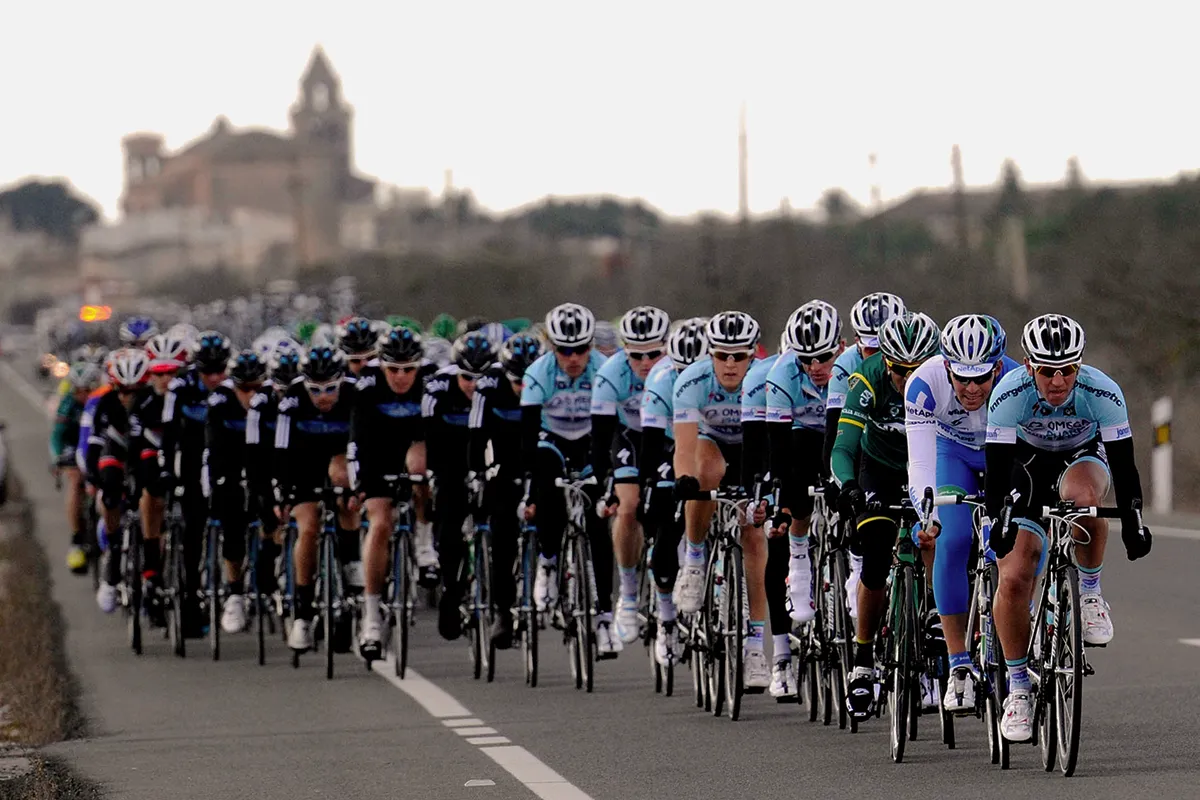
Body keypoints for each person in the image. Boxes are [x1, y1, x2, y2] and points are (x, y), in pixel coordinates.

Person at [984, 314, 1151, 742]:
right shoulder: (1009, 394)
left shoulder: (1102, 391)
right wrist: (998, 520)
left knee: (1086, 500)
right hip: (1026, 464)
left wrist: (1133, 517)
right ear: (1028, 366)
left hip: (1081, 456)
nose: (1058, 381)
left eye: (1068, 370)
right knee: (1017, 575)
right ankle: (1019, 688)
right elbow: (998, 472)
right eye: (1047, 371)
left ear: (1080, 366)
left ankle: (1090, 593)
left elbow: (1124, 466)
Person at [904, 314, 1019, 715]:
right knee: (952, 540)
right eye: (962, 378)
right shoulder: (924, 384)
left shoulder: (1017, 383)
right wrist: (927, 514)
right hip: (950, 455)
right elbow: (918, 464)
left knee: (1007, 548)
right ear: (946, 367)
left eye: (981, 378)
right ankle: (959, 666)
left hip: (1001, 455)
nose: (972, 389)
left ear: (999, 367)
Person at [831, 311, 941, 720]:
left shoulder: (944, 379)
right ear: (885, 362)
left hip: (928, 464)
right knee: (875, 557)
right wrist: (848, 487)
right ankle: (862, 661)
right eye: (898, 370)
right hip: (878, 467)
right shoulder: (867, 378)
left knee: (941, 538)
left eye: (916, 370)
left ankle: (934, 617)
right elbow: (843, 447)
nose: (907, 379)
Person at [672, 311, 771, 690]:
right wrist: (685, 480)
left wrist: (761, 492)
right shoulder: (691, 380)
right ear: (709, 354)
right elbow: (683, 447)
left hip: (750, 446)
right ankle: (695, 561)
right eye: (722, 355)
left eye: (740, 355)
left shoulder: (764, 380)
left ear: (752, 355)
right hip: (710, 441)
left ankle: (754, 647)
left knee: (753, 534)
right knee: (704, 474)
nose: (730, 363)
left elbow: (766, 447)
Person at [520, 303, 621, 656]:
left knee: (597, 526)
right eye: (565, 350)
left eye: (581, 349)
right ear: (551, 347)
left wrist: (608, 473)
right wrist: (531, 486)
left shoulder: (605, 371)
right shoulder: (538, 373)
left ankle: (606, 617)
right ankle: (547, 561)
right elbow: (528, 434)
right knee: (548, 480)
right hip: (552, 439)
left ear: (591, 346)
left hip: (591, 439)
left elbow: (615, 429)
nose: (574, 357)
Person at [762, 300, 844, 698]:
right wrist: (780, 503)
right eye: (806, 359)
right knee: (792, 474)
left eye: (824, 356)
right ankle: (798, 553)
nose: (816, 366)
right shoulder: (780, 375)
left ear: (840, 347)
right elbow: (776, 450)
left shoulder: (848, 371)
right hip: (799, 441)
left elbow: (846, 437)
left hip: (840, 439)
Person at [348, 327, 432, 660]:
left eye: (408, 369)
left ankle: (425, 543)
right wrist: (359, 484)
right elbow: (357, 439)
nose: (400, 376)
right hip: (377, 451)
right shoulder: (367, 384)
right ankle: (371, 615)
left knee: (421, 468)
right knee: (380, 522)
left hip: (414, 445)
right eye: (392, 369)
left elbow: (440, 435)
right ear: (380, 365)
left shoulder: (430, 381)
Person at [591, 306, 671, 645]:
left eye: (654, 353)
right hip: (629, 439)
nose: (645, 362)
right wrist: (605, 484)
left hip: (668, 438)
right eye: (636, 355)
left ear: (667, 347)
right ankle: (627, 593)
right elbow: (599, 438)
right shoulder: (610, 375)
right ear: (625, 350)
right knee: (627, 506)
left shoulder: (675, 371)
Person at [823, 292, 905, 620]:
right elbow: (839, 437)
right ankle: (858, 561)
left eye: (882, 348)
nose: (874, 355)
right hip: (870, 450)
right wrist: (841, 483)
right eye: (868, 348)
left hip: (913, 458)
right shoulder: (850, 368)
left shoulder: (919, 366)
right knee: (872, 538)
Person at [275, 345, 358, 654]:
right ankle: (303, 612)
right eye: (316, 390)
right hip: (303, 462)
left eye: (330, 389)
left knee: (343, 482)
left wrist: (357, 486)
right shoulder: (292, 398)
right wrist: (282, 491)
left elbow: (363, 440)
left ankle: (351, 561)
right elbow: (281, 449)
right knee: (308, 527)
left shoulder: (354, 393)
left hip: (341, 457)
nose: (323, 396)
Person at [639, 319, 708, 667]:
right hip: (671, 445)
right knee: (665, 525)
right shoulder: (661, 380)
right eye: (682, 370)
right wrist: (649, 486)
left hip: (711, 442)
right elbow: (650, 445)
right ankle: (666, 617)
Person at [469, 333, 543, 648]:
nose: (524, 391)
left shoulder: (550, 382)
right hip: (503, 463)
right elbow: (475, 435)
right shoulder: (488, 386)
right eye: (517, 383)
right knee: (502, 535)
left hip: (540, 460)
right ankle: (502, 611)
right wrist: (478, 474)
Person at [427, 332, 496, 640]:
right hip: (450, 456)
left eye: (480, 377)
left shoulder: (499, 385)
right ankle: (451, 593)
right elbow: (428, 438)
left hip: (488, 452)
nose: (474, 385)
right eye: (467, 377)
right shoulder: (438, 387)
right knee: (449, 524)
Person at [204, 349, 268, 634]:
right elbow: (213, 449)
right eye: (244, 389)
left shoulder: (272, 400)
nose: (250, 396)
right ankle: (234, 594)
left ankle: (271, 572)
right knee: (232, 522)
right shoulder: (220, 401)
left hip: (264, 463)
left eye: (256, 388)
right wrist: (216, 483)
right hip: (229, 461)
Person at [53, 362, 103, 573]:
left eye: (87, 390)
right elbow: (57, 436)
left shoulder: (103, 401)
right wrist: (58, 458)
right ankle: (76, 540)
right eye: (78, 390)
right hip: (74, 447)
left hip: (99, 446)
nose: (82, 395)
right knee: (75, 480)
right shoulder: (67, 404)